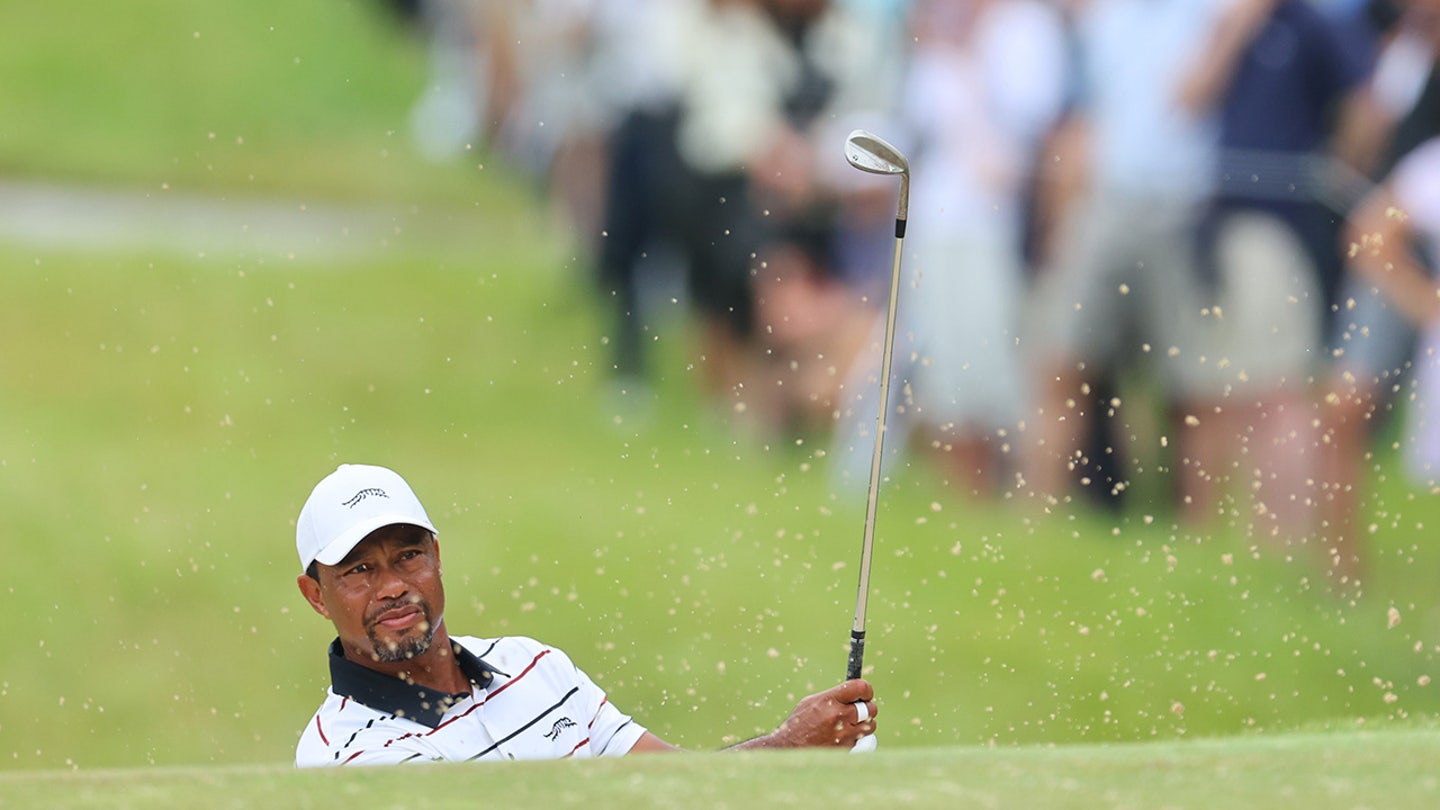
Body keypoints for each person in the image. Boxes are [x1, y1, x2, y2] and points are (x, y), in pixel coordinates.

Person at [292, 463, 878, 766]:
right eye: (359, 571)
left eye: (408, 555)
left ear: (438, 556)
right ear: (317, 596)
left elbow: (679, 787)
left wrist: (788, 747)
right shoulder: (343, 758)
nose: (393, 586)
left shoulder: (533, 666)